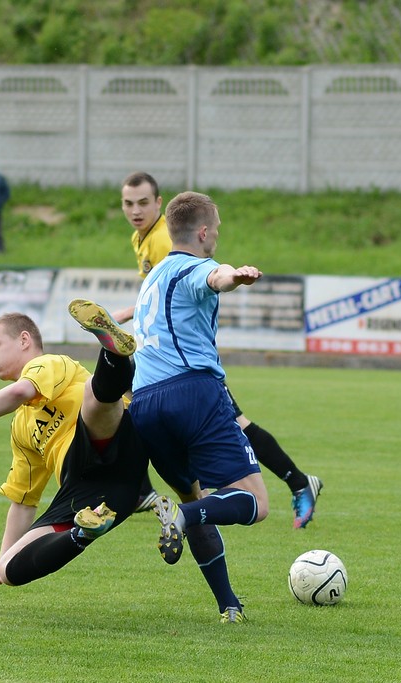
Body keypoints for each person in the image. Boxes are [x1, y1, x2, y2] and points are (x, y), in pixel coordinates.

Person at [116, 171, 323, 529]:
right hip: (183, 373)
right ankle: (294, 482)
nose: (135, 210)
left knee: (231, 431)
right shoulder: (147, 240)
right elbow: (185, 285)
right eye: (128, 203)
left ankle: (296, 482)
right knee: (236, 433)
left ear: (159, 205)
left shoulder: (164, 242)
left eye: (143, 203)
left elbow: (204, 277)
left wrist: (231, 277)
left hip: (174, 373)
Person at [0, 302, 147, 599]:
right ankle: (83, 531)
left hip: (117, 439)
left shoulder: (48, 364)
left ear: (24, 340)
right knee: (7, 568)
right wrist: (2, 561)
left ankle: (113, 352)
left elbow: (21, 390)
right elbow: (23, 502)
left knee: (94, 396)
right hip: (99, 492)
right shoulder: (20, 427)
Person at [130, 190, 270, 623]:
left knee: (195, 495)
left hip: (144, 404)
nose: (218, 237)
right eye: (217, 230)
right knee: (255, 502)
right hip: (192, 393)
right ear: (203, 232)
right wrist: (235, 276)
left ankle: (230, 606)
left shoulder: (151, 278)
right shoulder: (197, 266)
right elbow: (215, 277)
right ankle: (184, 516)